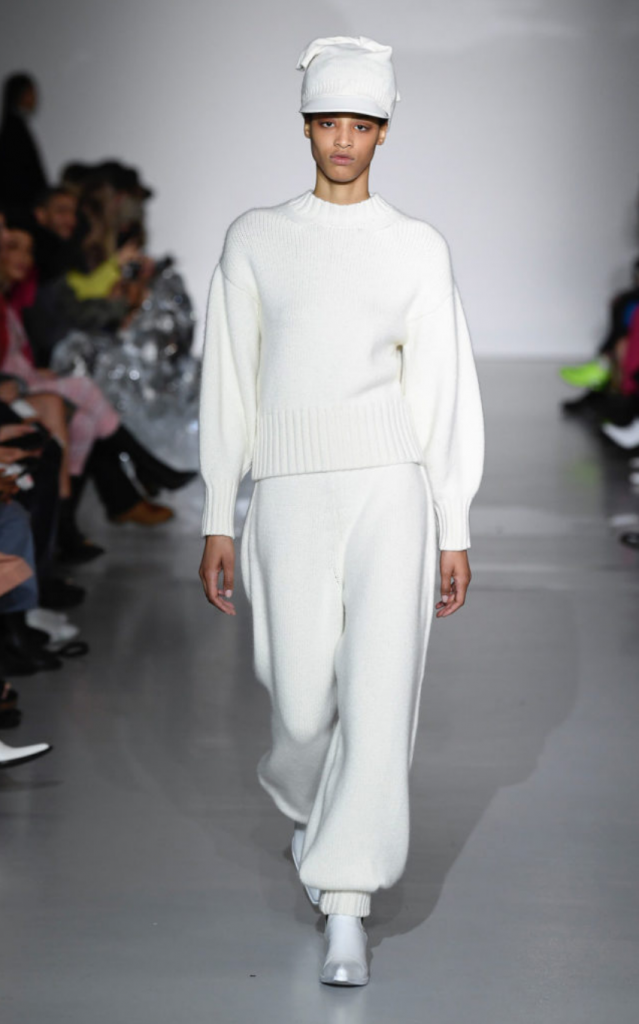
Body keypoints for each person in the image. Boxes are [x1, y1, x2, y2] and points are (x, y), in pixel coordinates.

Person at [198, 35, 484, 986]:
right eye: (328, 122)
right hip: (287, 490)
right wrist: (216, 512)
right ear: (306, 126)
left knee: (377, 691)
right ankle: (306, 807)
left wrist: (452, 524)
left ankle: (347, 900)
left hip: (389, 488)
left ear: (383, 132)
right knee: (298, 704)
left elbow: (440, 391)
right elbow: (228, 384)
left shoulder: (415, 246)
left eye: (361, 124)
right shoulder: (255, 239)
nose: (344, 141)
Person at [0, 73, 48, 213]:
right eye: (31, 93)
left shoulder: (13, 127)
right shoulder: (16, 131)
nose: (35, 98)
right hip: (22, 207)